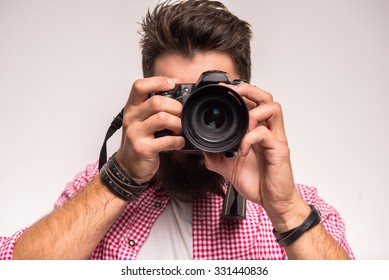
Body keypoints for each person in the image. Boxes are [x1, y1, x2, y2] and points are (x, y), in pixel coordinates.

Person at [0, 0, 354, 260]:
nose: (197, 118)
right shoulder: (94, 189)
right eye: (181, 98)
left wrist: (286, 209)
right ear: (148, 96)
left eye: (210, 100)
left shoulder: (295, 205)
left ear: (244, 99)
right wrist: (120, 177)